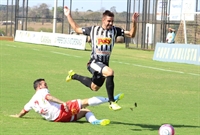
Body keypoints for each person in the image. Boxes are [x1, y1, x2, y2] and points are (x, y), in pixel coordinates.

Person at [64, 6, 139, 111]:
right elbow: (76, 29)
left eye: (112, 21)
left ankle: (74, 75)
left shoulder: (115, 30)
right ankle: (112, 102)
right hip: (94, 62)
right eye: (109, 21)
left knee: (94, 87)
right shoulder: (93, 29)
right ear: (103, 20)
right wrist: (68, 15)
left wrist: (134, 22)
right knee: (110, 72)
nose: (111, 23)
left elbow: (131, 34)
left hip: (104, 65)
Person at [10, 78, 124, 126]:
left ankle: (95, 122)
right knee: (86, 102)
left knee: (85, 111)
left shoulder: (31, 101)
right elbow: (49, 97)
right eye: (44, 84)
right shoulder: (42, 91)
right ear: (39, 86)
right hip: (61, 111)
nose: (46, 85)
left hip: (57, 119)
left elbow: (24, 111)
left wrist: (17, 116)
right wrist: (62, 102)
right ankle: (111, 99)